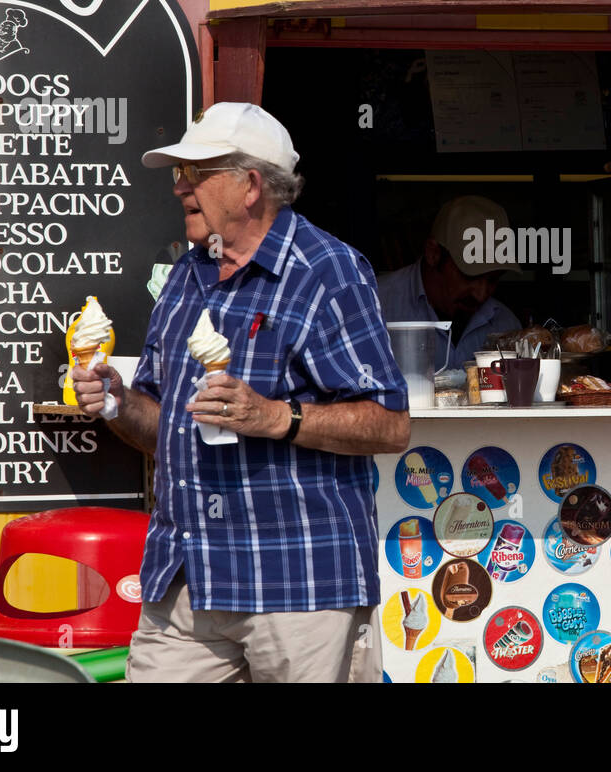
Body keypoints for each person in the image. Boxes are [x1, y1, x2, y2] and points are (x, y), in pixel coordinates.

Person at [73, 102, 409, 683]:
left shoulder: (327, 272)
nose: (178, 187)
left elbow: (389, 423)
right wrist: (117, 403)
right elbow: (166, 428)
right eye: (179, 174)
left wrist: (278, 416)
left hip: (297, 584)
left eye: (195, 173)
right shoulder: (186, 275)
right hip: (187, 576)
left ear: (251, 185)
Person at [376, 195, 521, 368]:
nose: (481, 294)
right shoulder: (374, 305)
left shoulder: (505, 325)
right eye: (470, 276)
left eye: (493, 279)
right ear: (433, 253)